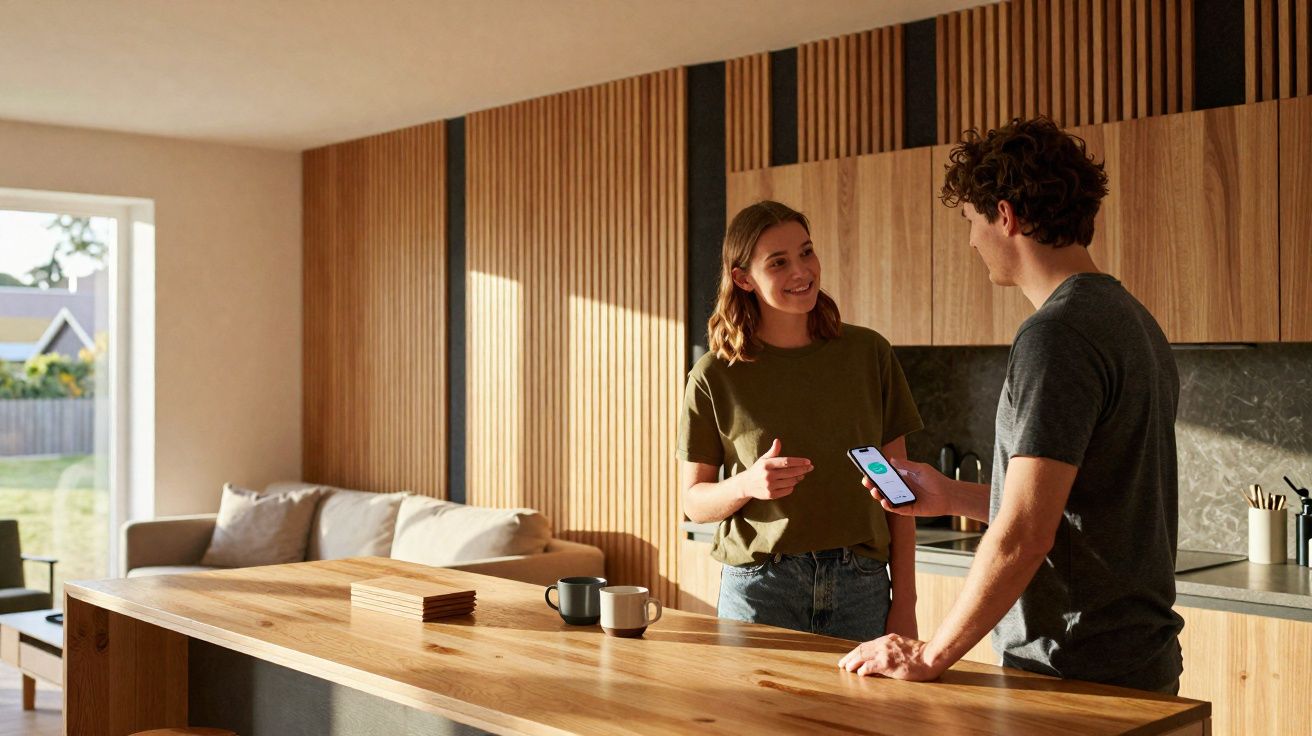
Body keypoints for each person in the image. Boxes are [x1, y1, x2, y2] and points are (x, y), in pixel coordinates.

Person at [837, 117, 1184, 694]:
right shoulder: (1133, 321)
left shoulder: (1056, 335)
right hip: (1136, 661)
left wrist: (929, 655)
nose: (972, 241)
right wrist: (950, 496)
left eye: (972, 222)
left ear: (1006, 216)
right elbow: (1073, 505)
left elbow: (1025, 532)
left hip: (1072, 671)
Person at [678, 200, 923, 641]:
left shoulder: (869, 354)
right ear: (743, 278)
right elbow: (694, 503)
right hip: (760, 589)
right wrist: (746, 485)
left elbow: (899, 489)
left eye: (806, 252)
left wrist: (904, 602)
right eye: (779, 262)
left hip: (862, 587)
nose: (801, 270)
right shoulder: (715, 375)